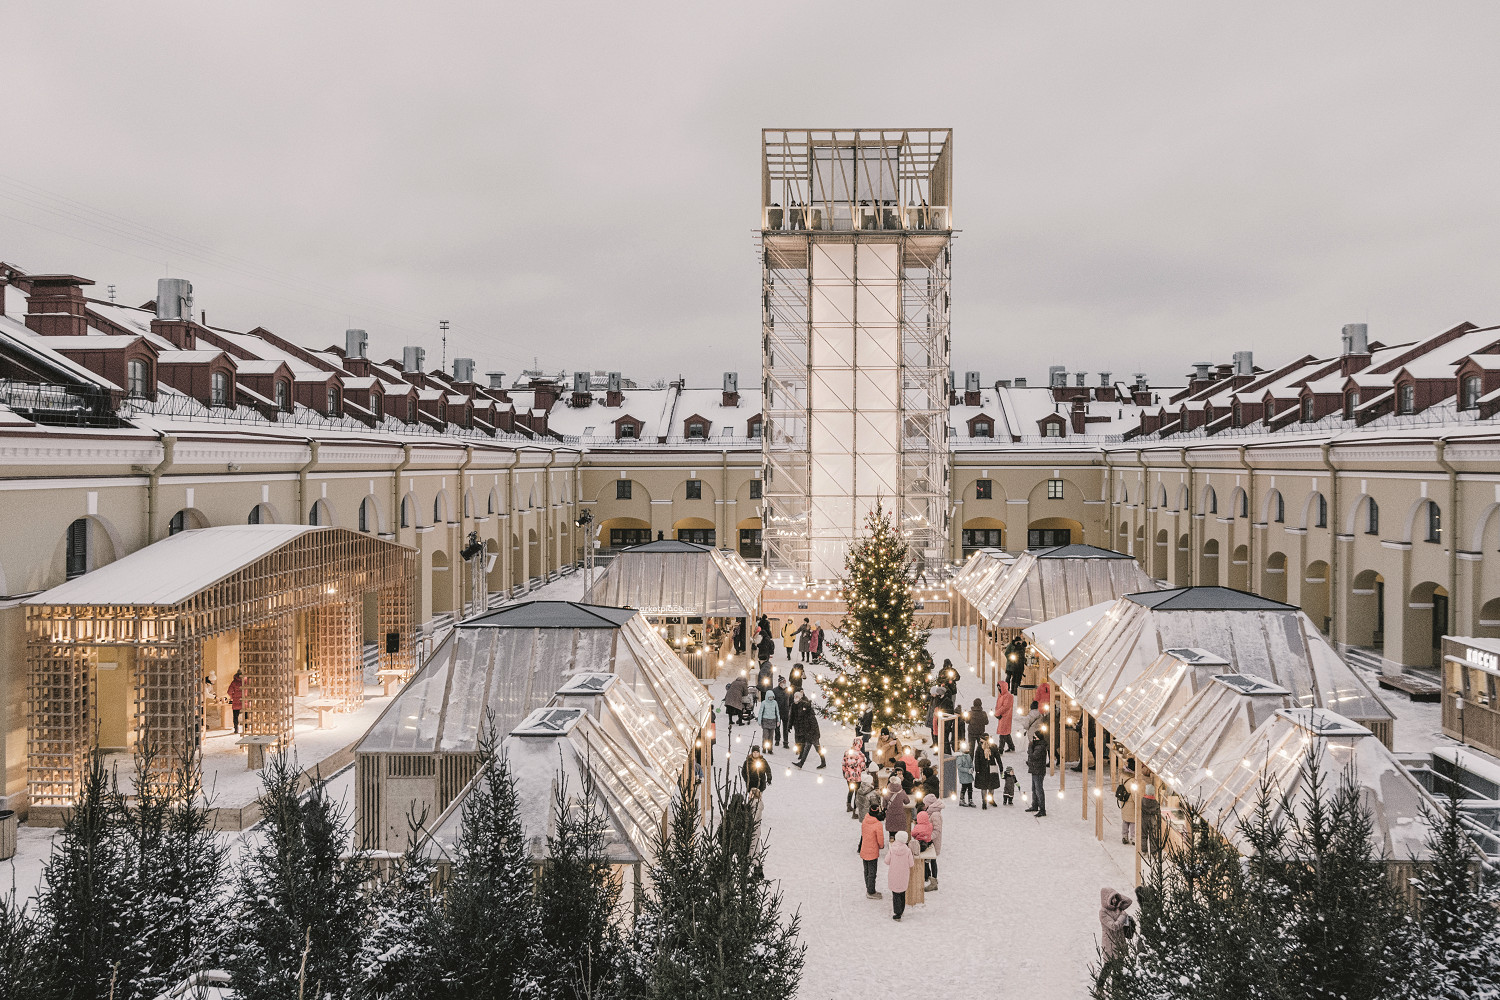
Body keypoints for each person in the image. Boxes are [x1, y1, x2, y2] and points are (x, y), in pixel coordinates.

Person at [1099, 888, 1136, 962]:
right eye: (1112, 898)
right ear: (1106, 899)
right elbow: (1114, 926)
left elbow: (1129, 901)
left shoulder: (1117, 908)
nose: (1115, 900)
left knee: (1122, 966)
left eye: (1115, 898)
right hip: (1110, 947)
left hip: (1120, 944)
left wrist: (1118, 896)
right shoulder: (1103, 912)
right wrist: (1123, 916)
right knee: (1109, 966)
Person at [791, 690, 826, 768]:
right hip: (809, 735)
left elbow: (814, 727)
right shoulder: (806, 715)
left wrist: (810, 734)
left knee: (818, 749)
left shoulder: (810, 716)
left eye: (804, 709)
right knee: (806, 750)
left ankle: (823, 762)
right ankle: (801, 763)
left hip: (813, 736)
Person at [885, 831, 915, 921]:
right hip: (904, 875)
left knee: (895, 894)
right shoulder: (908, 850)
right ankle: (901, 910)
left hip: (893, 874)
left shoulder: (892, 849)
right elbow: (911, 864)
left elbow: (886, 861)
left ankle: (897, 913)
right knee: (902, 893)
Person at [859, 805, 886, 899]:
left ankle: (868, 887)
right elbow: (880, 839)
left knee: (866, 870)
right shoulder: (878, 824)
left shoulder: (865, 820)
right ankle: (871, 891)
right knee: (872, 872)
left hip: (864, 849)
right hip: (872, 851)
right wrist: (881, 846)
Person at [921, 793, 944, 889]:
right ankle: (928, 877)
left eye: (925, 803)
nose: (924, 805)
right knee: (928, 859)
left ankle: (934, 880)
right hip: (930, 840)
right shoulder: (931, 812)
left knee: (933, 860)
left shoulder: (935, 815)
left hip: (933, 841)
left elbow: (937, 830)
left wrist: (928, 837)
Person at [1027, 731, 1049, 816]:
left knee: (1039, 790)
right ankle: (1035, 805)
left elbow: (1033, 756)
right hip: (1035, 770)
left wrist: (1030, 748)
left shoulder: (1040, 747)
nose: (1033, 738)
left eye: (1035, 737)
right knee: (1034, 789)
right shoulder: (1037, 745)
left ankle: (1042, 809)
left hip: (1038, 771)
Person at [974, 738, 1000, 810]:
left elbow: (998, 757)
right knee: (984, 787)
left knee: (992, 786)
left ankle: (991, 799)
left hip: (991, 768)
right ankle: (984, 802)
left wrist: (1001, 766)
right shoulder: (979, 748)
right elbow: (976, 759)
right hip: (983, 770)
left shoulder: (993, 747)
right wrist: (977, 769)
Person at [842, 737, 867, 811]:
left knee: (850, 790)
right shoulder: (861, 755)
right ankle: (855, 810)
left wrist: (845, 773)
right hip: (857, 777)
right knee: (857, 793)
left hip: (849, 776)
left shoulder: (847, 753)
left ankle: (848, 805)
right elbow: (863, 767)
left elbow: (843, 764)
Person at [993, 680, 1016, 753]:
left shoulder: (1008, 696)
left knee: (1003, 733)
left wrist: (997, 713)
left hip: (1006, 716)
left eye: (999, 687)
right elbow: (998, 705)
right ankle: (1011, 746)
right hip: (1001, 716)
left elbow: (1005, 707)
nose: (998, 689)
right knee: (1005, 732)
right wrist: (997, 713)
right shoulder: (1001, 696)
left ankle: (1000, 749)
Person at [756, 688, 780, 754]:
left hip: (773, 721)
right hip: (765, 721)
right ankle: (764, 747)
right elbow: (760, 712)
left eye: (772, 697)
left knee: (771, 736)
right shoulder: (764, 703)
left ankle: (770, 749)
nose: (771, 698)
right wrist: (759, 720)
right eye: (769, 697)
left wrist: (778, 720)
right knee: (765, 736)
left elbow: (777, 712)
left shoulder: (775, 702)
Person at [773, 677, 791, 748]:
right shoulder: (774, 690)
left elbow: (791, 700)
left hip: (786, 711)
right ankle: (777, 740)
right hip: (778, 711)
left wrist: (789, 708)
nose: (783, 684)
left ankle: (785, 742)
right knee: (777, 727)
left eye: (784, 682)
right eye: (782, 682)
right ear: (779, 683)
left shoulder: (788, 690)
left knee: (785, 728)